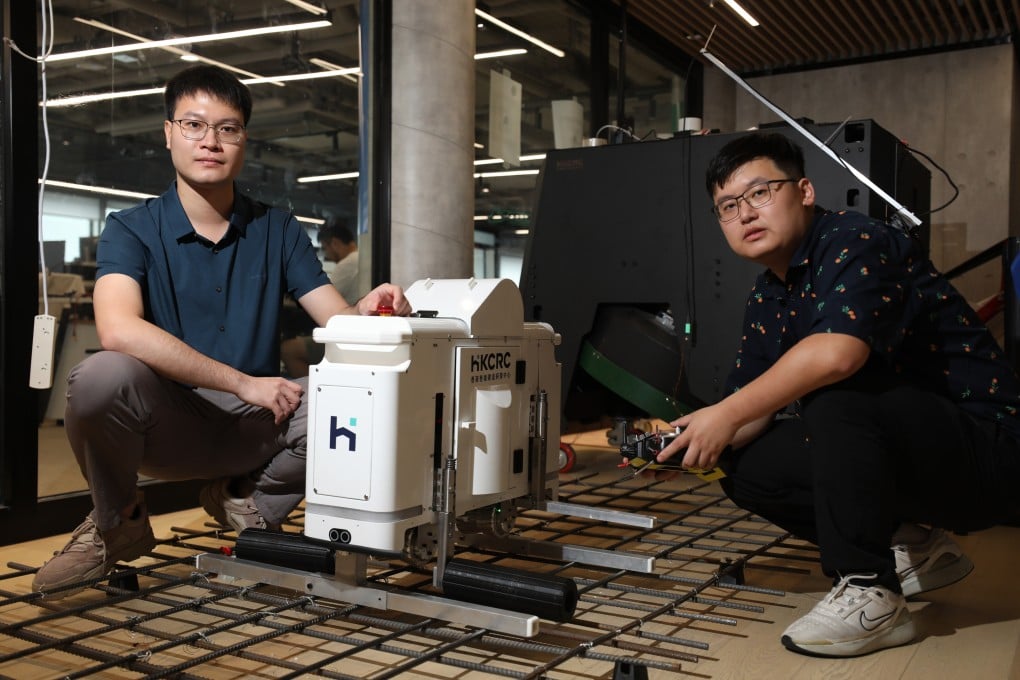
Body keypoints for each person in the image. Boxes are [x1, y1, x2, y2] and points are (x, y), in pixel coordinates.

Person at [31, 64, 410, 599]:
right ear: (168, 133)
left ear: (243, 140)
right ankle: (118, 523)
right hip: (166, 424)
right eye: (193, 125)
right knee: (97, 377)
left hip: (253, 428)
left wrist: (367, 310)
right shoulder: (130, 229)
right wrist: (241, 382)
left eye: (227, 128)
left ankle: (247, 497)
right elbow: (117, 329)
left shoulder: (277, 229)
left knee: (363, 402)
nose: (210, 141)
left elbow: (336, 319)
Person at [654, 132, 1020, 657]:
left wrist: (728, 413)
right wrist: (694, 436)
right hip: (918, 455)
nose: (745, 214)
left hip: (991, 451)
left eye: (760, 193)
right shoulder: (768, 292)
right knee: (743, 462)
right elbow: (745, 408)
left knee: (835, 388)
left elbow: (838, 355)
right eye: (728, 207)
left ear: (803, 191)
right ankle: (915, 548)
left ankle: (871, 590)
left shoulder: (856, 240)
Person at [280, 218, 363, 377]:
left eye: (325, 248)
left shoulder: (347, 263)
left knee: (288, 350)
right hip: (352, 331)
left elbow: (320, 297)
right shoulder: (361, 259)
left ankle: (313, 394)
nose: (326, 254)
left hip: (346, 336)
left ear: (335, 244)